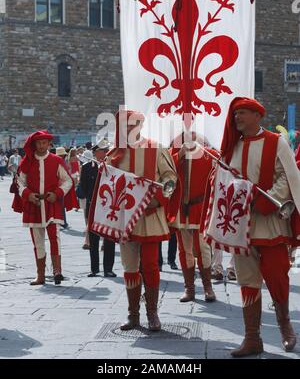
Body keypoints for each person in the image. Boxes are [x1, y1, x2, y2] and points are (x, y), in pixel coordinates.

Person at [220, 97, 300, 356]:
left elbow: (286, 178)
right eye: (235, 115)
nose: (237, 118)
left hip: (270, 223)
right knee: (247, 280)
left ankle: (285, 327)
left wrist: (262, 201)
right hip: (241, 225)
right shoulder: (233, 147)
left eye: (242, 113)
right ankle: (252, 338)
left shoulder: (276, 142)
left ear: (257, 115)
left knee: (277, 276)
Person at [98, 110, 178, 331]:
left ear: (141, 125)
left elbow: (171, 180)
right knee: (130, 267)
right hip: (125, 219)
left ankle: (152, 313)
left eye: (133, 124)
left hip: (150, 217)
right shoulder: (114, 153)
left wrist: (158, 198)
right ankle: (133, 314)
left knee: (151, 265)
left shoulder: (157, 148)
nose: (129, 128)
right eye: (125, 125)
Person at [12, 131, 78, 285]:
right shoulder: (26, 161)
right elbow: (19, 182)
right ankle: (40, 274)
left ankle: (57, 271)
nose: (41, 146)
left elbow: (67, 181)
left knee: (55, 238)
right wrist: (28, 194)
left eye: (44, 143)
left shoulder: (56, 161)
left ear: (49, 144)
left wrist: (58, 193)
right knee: (38, 242)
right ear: (34, 144)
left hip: (51, 203)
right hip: (33, 204)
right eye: (38, 143)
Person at [171, 133, 216, 303]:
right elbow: (165, 167)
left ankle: (207, 287)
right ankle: (189, 288)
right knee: (185, 250)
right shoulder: (176, 152)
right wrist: (181, 153)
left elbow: (221, 167)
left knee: (203, 249)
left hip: (201, 208)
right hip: (181, 209)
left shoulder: (208, 154)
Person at [80, 139, 116, 277]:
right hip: (93, 205)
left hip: (108, 206)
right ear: (96, 152)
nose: (106, 153)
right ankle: (94, 268)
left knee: (109, 238)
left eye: (107, 150)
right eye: (103, 151)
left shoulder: (112, 168)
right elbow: (83, 186)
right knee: (93, 238)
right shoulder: (87, 167)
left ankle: (108, 268)